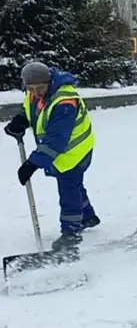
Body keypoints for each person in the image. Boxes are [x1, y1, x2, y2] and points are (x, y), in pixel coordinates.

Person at [3, 62, 99, 250]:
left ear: (50, 82)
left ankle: (71, 232)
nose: (36, 92)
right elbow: (31, 108)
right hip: (63, 152)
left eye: (40, 88)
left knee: (68, 188)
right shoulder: (35, 94)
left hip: (75, 151)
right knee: (74, 184)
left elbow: (56, 139)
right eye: (30, 88)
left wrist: (32, 164)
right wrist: (21, 119)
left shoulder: (65, 101)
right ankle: (88, 216)